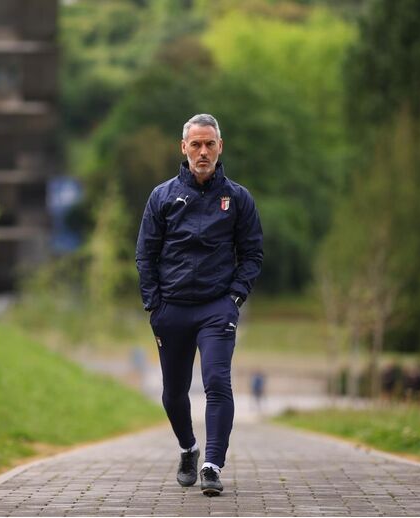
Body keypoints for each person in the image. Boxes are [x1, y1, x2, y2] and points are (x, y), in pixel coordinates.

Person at [135, 113, 263, 497]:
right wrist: (153, 305)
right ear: (184, 148)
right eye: (196, 144)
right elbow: (145, 255)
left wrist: (235, 296)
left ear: (220, 147)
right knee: (174, 392)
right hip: (171, 310)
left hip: (216, 308)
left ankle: (212, 464)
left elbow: (252, 254)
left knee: (217, 382)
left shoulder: (238, 199)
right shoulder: (161, 196)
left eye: (209, 144)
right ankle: (188, 449)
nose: (203, 151)